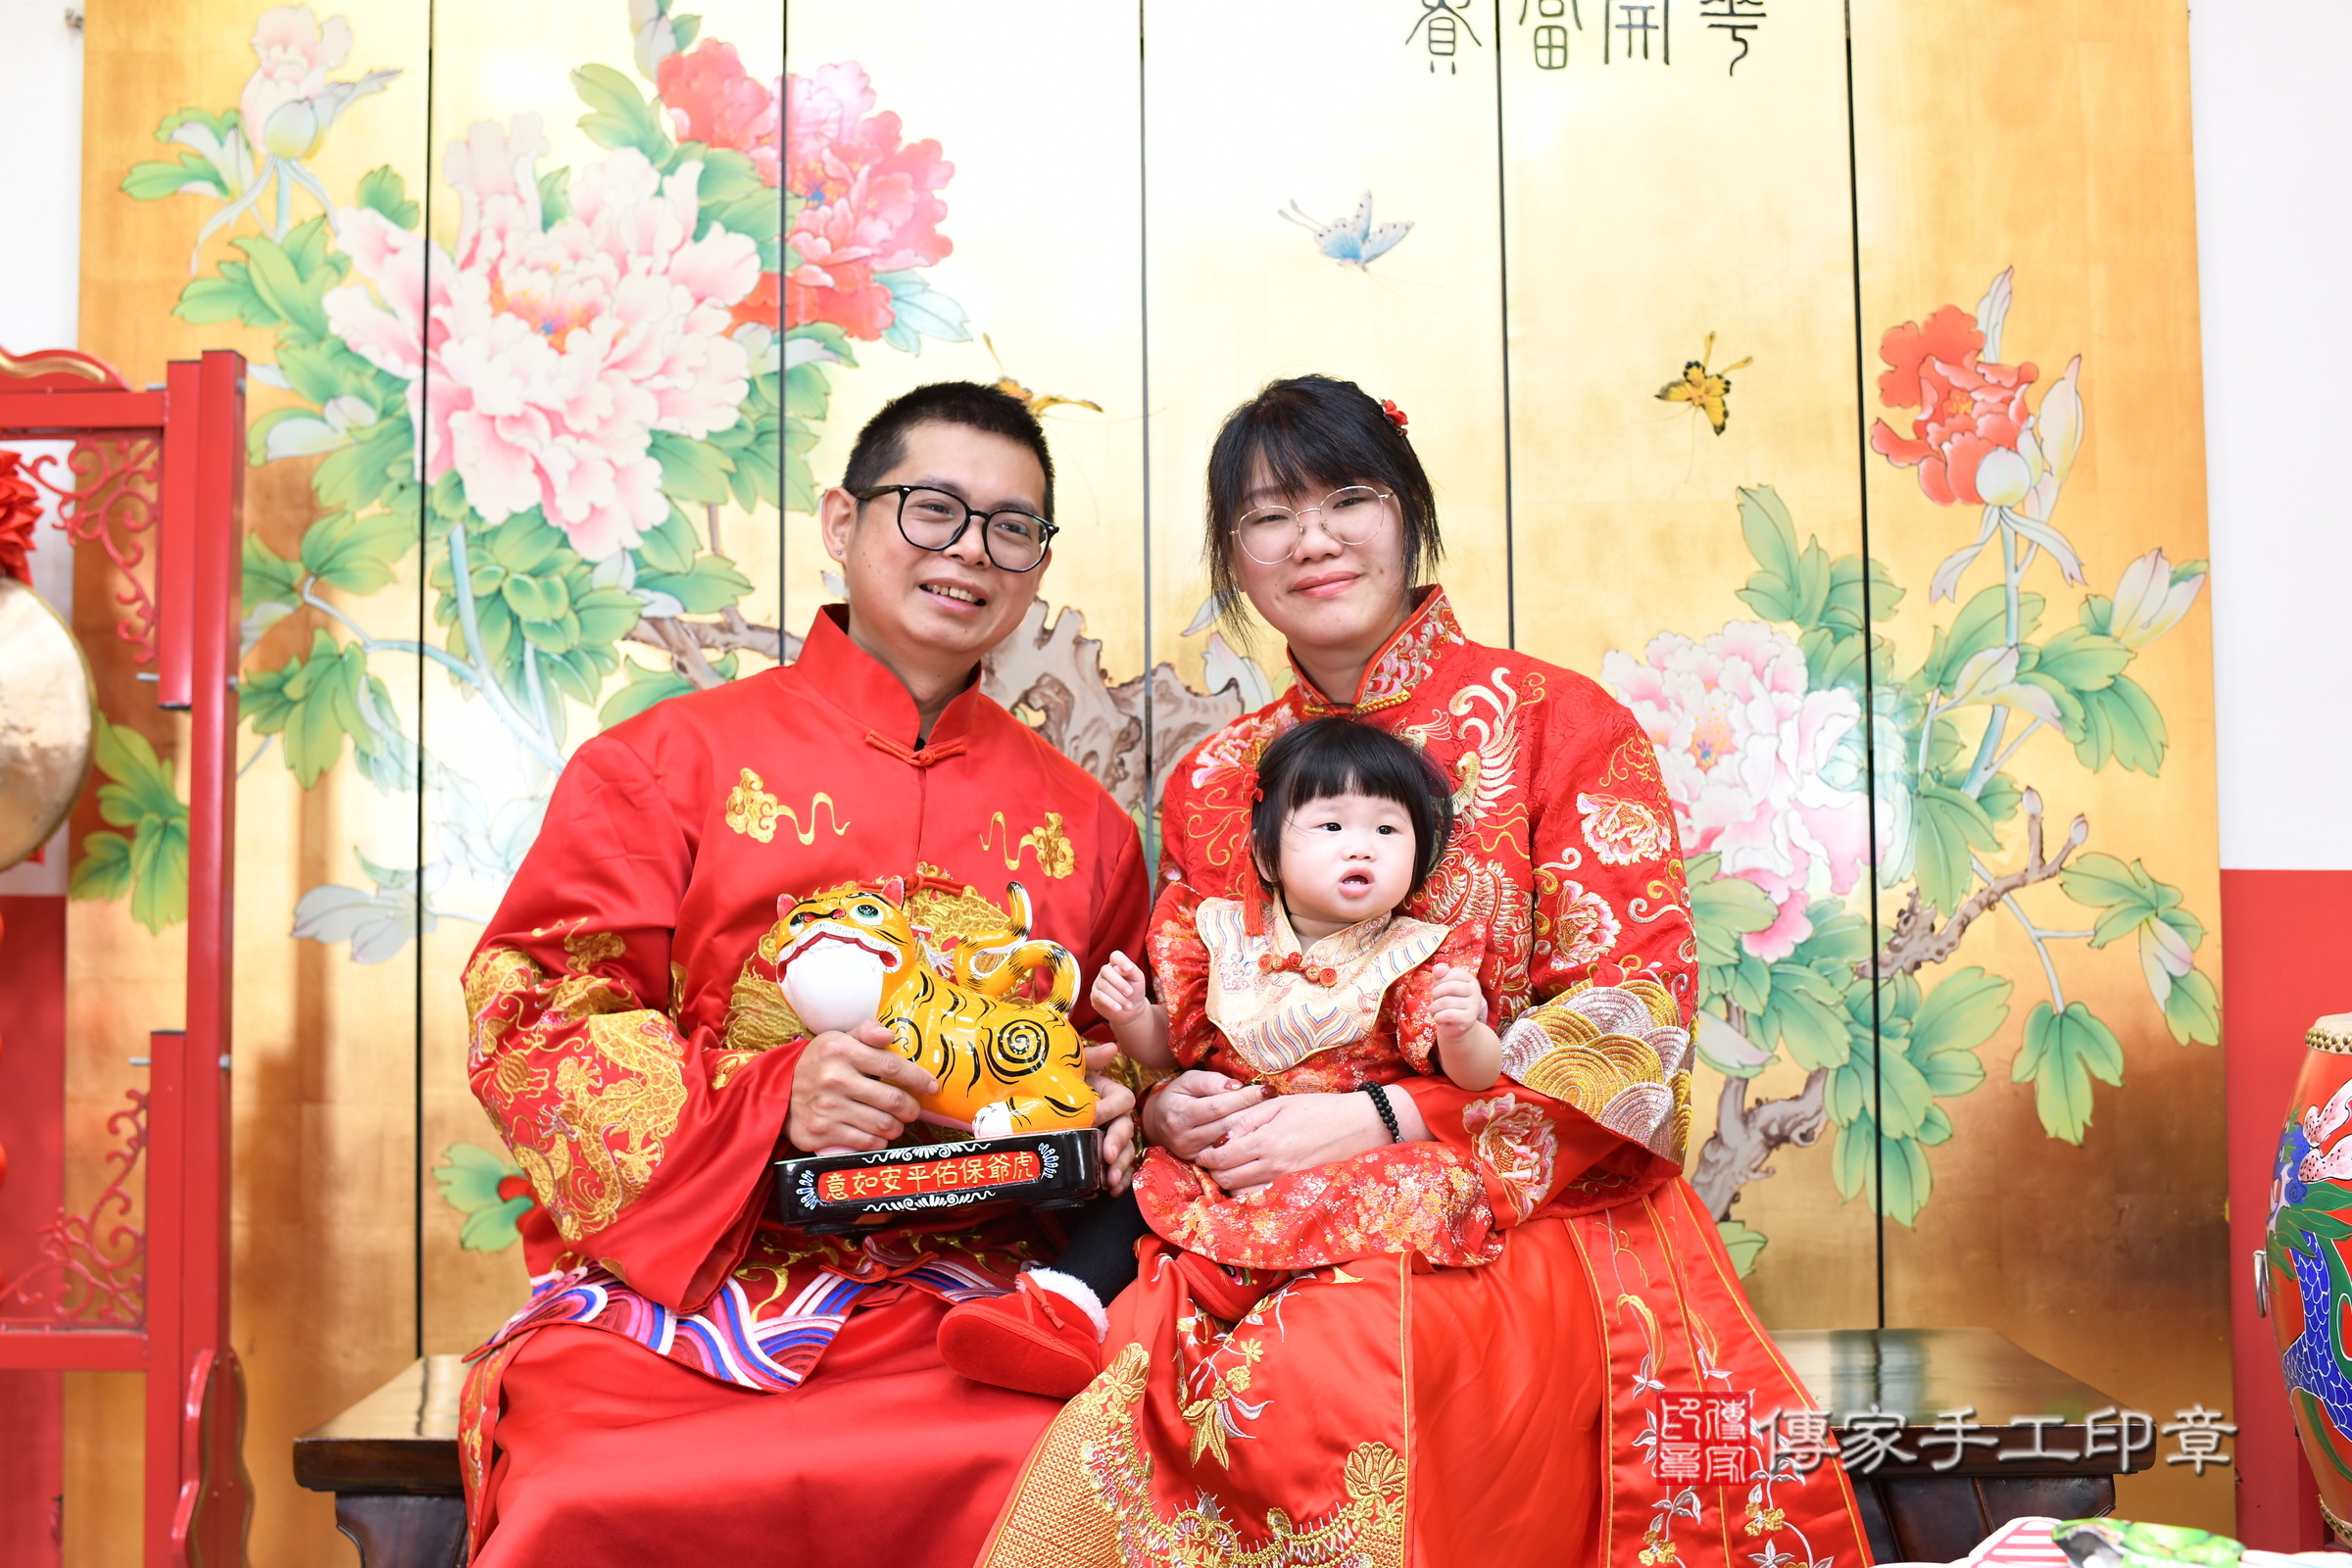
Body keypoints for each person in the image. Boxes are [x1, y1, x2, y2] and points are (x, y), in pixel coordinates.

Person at [982, 376, 1872, 1568]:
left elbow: (1631, 1025)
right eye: (1267, 516)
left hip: (1515, 1212)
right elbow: (1188, 1017)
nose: (1312, 539)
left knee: (1326, 1373)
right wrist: (1170, 1102)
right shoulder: (1215, 776)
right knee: (1100, 1391)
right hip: (1241, 1209)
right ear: (1234, 558)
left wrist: (1388, 1118)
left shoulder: (1562, 722)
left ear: (1408, 513)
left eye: (1347, 498)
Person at [455, 382, 1151, 1568]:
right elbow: (537, 1021)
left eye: (1010, 528)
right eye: (932, 509)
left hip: (974, 1300)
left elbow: (1111, 1065)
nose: (969, 552)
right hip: (693, 1295)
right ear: (841, 521)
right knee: (588, 1494)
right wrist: (773, 1099)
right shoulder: (661, 764)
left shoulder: (1088, 826)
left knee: (1069, 1474)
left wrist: (1116, 1108)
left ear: (1037, 566)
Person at [935, 716, 1503, 1396]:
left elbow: (1475, 1078)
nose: (1362, 846)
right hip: (1221, 1143)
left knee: (1401, 1188)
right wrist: (1132, 1016)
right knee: (1147, 1182)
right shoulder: (1224, 939)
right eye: (1331, 826)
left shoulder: (1419, 954)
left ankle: (1226, 1279)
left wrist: (1463, 1030)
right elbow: (1174, 1049)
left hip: (1343, 1154)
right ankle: (1061, 1308)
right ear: (1266, 858)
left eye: (1388, 830)